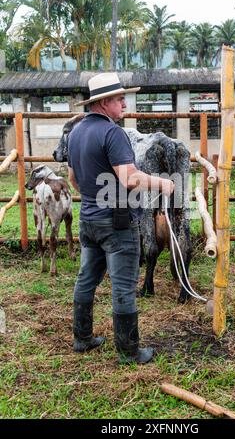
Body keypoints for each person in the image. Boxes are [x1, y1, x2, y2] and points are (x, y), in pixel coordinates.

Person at [67, 72, 174, 364]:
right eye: (118, 98)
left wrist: (92, 198)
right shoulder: (113, 133)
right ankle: (128, 352)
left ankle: (83, 339)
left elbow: (72, 178)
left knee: (86, 277)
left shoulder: (75, 132)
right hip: (117, 222)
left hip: (88, 218)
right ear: (102, 103)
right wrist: (163, 183)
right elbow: (129, 178)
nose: (124, 102)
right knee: (124, 285)